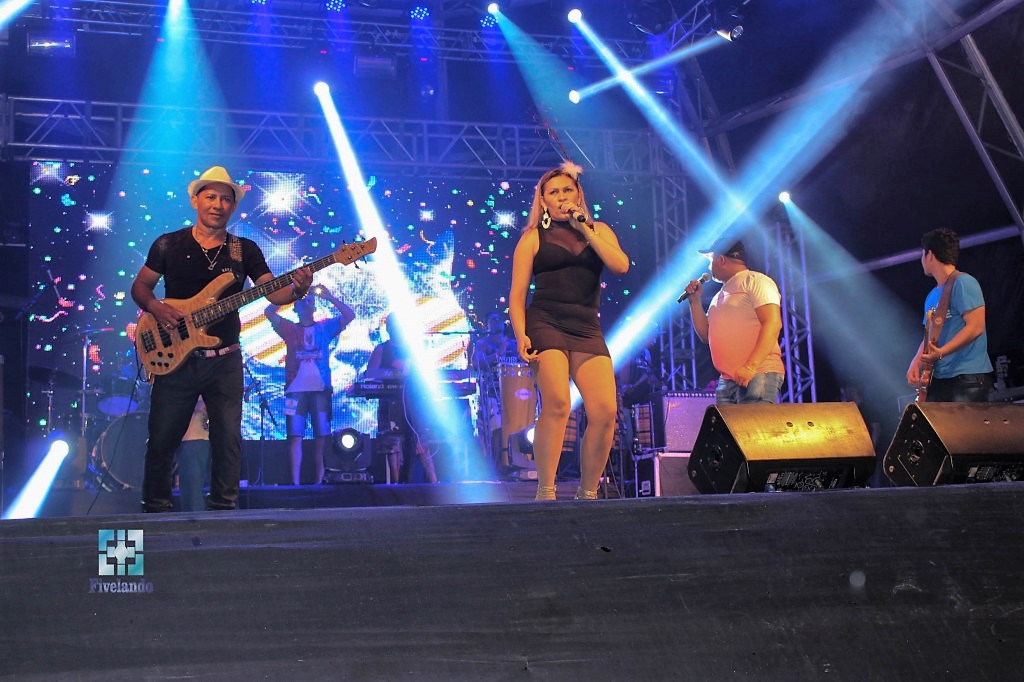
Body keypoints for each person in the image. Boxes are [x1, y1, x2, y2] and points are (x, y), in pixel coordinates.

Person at [131, 165, 312, 512]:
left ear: (233, 206)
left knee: (228, 439)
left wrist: (298, 290)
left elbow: (273, 292)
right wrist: (156, 307)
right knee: (163, 439)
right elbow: (140, 286)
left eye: (226, 199)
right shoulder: (168, 244)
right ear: (196, 201)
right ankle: (155, 508)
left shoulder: (245, 250)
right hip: (176, 358)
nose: (218, 204)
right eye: (211, 196)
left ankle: (224, 509)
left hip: (225, 359)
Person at [509, 160, 630, 501]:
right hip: (546, 322)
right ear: (543, 200)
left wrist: (585, 229)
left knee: (605, 411)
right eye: (553, 192)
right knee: (558, 403)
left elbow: (621, 266)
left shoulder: (599, 229)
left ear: (578, 194)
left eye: (567, 189)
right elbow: (517, 296)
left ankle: (587, 493)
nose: (561, 196)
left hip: (586, 326)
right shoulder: (532, 238)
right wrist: (521, 334)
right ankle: (546, 491)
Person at [265, 286, 355, 485]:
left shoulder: (325, 327)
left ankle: (319, 482)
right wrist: (291, 294)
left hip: (320, 391)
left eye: (309, 300)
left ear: (314, 306)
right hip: (294, 391)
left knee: (322, 437)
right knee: (294, 436)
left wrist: (329, 296)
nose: (306, 303)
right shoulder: (289, 329)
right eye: (302, 301)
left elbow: (349, 315)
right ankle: (295, 484)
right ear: (295, 307)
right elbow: (269, 312)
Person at [681, 237, 785, 405]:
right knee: (726, 424)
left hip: (757, 373)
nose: (709, 267)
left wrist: (750, 366)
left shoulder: (756, 281)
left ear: (721, 259)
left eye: (711, 260)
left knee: (752, 422)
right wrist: (694, 301)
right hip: (727, 379)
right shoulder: (719, 296)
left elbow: (772, 323)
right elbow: (706, 335)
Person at [906, 228, 992, 402]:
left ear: (929, 254)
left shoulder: (964, 282)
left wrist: (941, 353)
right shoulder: (932, 296)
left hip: (968, 377)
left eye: (922, 254)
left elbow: (976, 327)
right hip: (940, 379)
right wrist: (916, 361)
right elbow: (929, 336)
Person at [366, 314, 438, 484]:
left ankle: (434, 482)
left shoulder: (412, 349)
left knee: (420, 440)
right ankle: (397, 485)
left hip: (413, 400)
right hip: (390, 401)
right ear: (388, 328)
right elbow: (371, 373)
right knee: (392, 442)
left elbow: (423, 372)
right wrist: (392, 372)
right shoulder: (382, 349)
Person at [175, 398, 210, 512]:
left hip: (218, 437)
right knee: (192, 491)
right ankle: (195, 521)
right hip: (192, 437)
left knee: (222, 490)